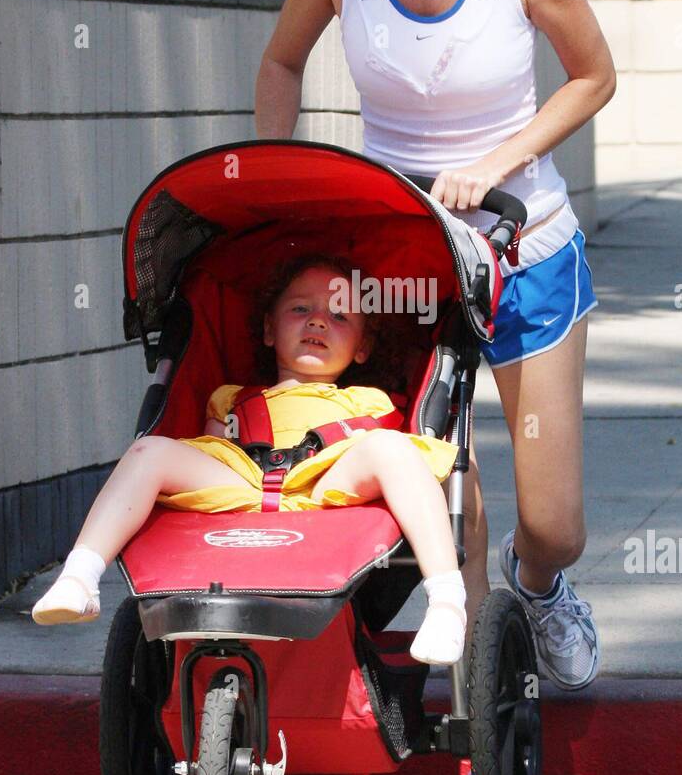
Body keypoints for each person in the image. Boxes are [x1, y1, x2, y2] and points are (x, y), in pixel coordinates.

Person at [253, 0, 617, 775]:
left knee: (549, 521)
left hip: (525, 246)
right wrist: (276, 177)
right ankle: (476, 696)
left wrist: (501, 158)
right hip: (401, 254)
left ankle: (538, 591)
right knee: (442, 474)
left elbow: (593, 74)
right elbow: (280, 62)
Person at [31, 254, 468, 666]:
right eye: (301, 309)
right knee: (150, 451)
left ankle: (447, 599)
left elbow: (389, 462)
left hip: (326, 482)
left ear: (361, 348)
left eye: (339, 316)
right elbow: (210, 453)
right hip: (242, 480)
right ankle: (79, 576)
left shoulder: (366, 401)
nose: (318, 320)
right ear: (268, 330)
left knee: (395, 449)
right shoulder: (231, 398)